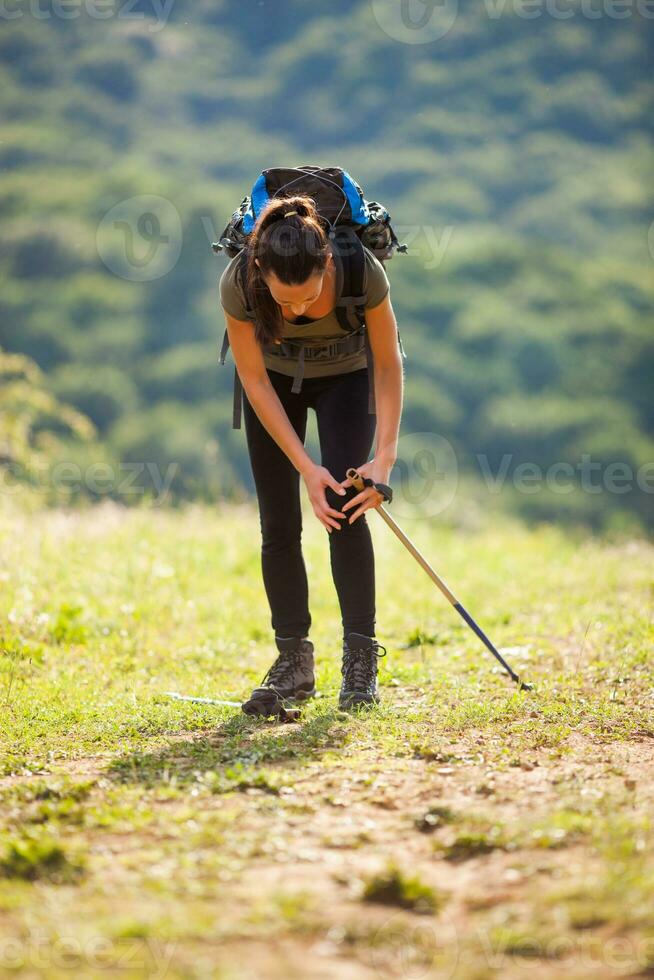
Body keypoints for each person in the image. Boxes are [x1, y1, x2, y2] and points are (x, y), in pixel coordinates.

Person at [218, 194, 404, 710]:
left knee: (346, 510)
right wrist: (307, 467)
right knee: (278, 526)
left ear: (326, 263)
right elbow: (253, 379)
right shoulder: (239, 282)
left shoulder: (359, 272)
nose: (296, 311)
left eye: (307, 298)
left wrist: (383, 460)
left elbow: (388, 365)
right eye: (284, 302)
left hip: (348, 378)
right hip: (274, 387)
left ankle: (361, 661)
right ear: (259, 269)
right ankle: (293, 661)